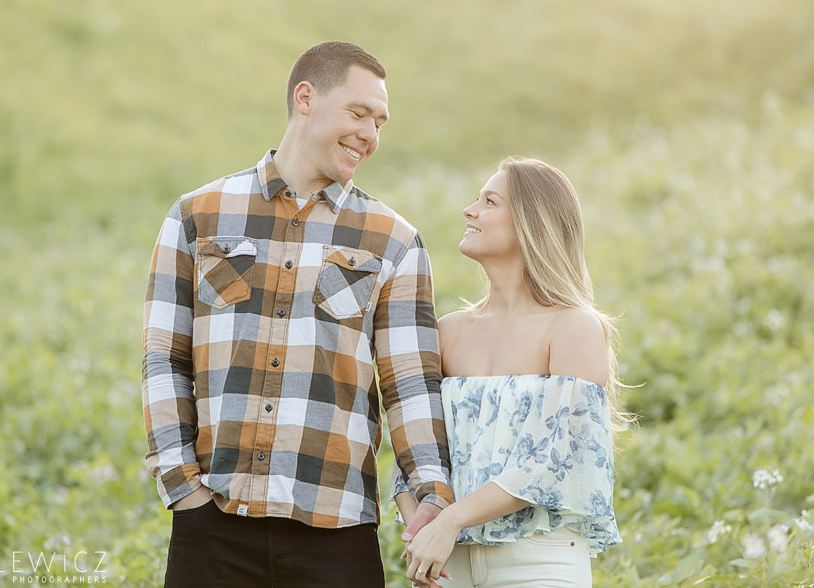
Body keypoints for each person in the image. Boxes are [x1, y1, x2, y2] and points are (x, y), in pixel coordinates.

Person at [141, 41, 454, 588]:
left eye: (379, 122)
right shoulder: (197, 216)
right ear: (304, 98)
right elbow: (164, 357)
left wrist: (431, 496)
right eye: (358, 113)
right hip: (213, 522)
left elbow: (410, 385)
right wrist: (184, 487)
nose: (370, 135)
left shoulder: (395, 241)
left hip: (337, 532)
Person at [394, 157, 625, 588]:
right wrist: (420, 531)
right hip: (446, 561)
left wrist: (450, 521)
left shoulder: (573, 327)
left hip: (539, 559)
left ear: (530, 224)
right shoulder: (447, 332)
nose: (470, 210)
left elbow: (549, 459)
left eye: (489, 201)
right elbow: (415, 444)